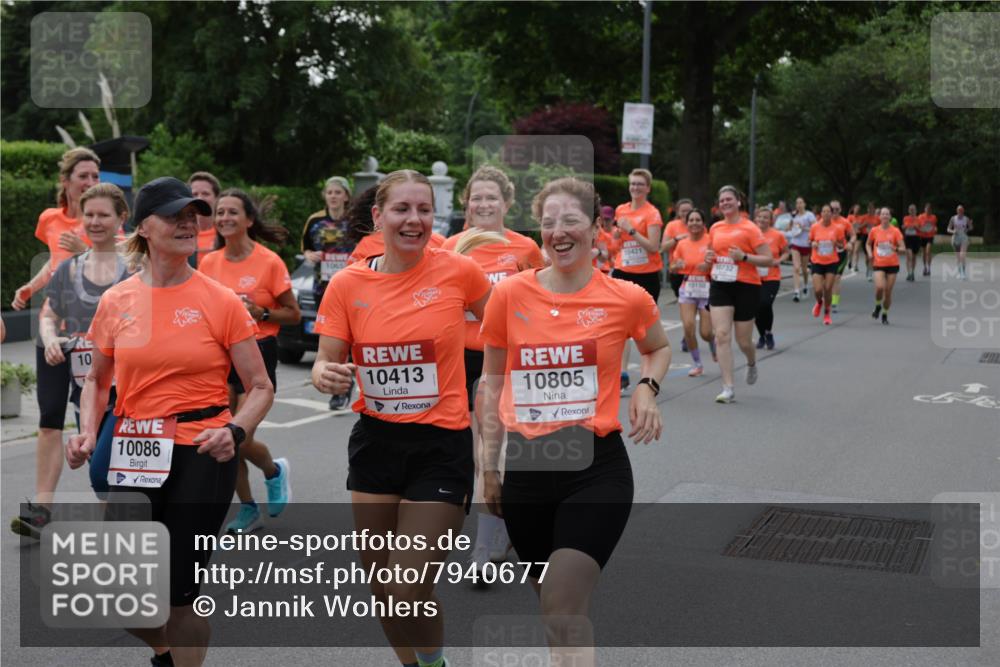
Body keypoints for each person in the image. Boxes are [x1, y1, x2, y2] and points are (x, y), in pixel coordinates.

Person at [66, 176, 274, 667]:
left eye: (192, 215)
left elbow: (261, 386)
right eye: (175, 215)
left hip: (203, 449)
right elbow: (97, 380)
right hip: (135, 447)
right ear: (144, 227)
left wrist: (235, 431)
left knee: (181, 591)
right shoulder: (117, 301)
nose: (188, 223)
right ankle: (165, 653)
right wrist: (88, 433)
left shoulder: (219, 299)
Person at [479, 176, 670, 667]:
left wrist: (648, 389)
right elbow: (493, 384)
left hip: (596, 469)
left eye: (570, 221)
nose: (558, 232)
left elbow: (657, 348)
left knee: (562, 603)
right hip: (528, 469)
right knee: (556, 610)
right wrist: (489, 471)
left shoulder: (627, 298)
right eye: (548, 223)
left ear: (595, 229)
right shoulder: (509, 296)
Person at [312, 170, 491, 667]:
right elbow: (326, 357)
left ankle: (435, 664)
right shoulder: (348, 285)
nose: (414, 220)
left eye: (424, 211)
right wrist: (326, 374)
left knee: (406, 582)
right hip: (376, 443)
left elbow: (508, 324)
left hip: (441, 446)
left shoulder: (458, 271)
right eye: (402, 210)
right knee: (383, 589)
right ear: (378, 217)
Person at [441, 165, 544, 581]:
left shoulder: (525, 249)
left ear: (507, 203)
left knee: (492, 448)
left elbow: (540, 301)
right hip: (453, 359)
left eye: (491, 198)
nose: (483, 205)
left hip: (501, 358)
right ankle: (499, 526)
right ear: (467, 203)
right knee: (468, 451)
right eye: (477, 198)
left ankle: (483, 550)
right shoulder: (450, 246)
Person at [9, 147, 99, 539]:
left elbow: (122, 268)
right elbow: (54, 259)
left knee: (90, 419)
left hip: (92, 335)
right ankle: (42, 509)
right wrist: (31, 286)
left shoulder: (103, 222)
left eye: (96, 176)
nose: (91, 183)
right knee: (49, 419)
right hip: (53, 331)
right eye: (84, 176)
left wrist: (90, 251)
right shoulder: (50, 218)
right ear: (66, 182)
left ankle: (116, 503)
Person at [199, 188, 298, 534]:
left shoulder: (269, 261)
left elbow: (293, 314)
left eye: (232, 212)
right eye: (220, 212)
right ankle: (248, 508)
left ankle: (273, 471)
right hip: (219, 355)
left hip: (257, 352)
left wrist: (263, 311)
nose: (224, 218)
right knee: (224, 437)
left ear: (249, 220)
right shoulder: (208, 263)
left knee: (238, 436)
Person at [705, 186, 772, 403]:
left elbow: (768, 259)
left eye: (729, 199)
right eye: (722, 200)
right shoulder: (715, 228)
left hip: (746, 285)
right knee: (722, 335)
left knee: (743, 341)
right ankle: (728, 387)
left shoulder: (750, 228)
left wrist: (744, 257)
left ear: (738, 202)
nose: (725, 203)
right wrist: (708, 259)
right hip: (720, 284)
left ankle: (751, 362)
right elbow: (710, 254)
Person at [301, 176, 358, 409]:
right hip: (323, 288)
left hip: (354, 288)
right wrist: (309, 255)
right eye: (329, 192)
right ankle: (340, 388)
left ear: (346, 195)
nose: (333, 196)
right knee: (334, 340)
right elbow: (305, 248)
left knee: (355, 337)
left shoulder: (356, 221)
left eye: (337, 192)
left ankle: (356, 377)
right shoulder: (315, 220)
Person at [611, 169, 664, 391]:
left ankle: (647, 376)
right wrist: (616, 236)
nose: (635, 188)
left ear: (648, 188)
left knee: (643, 329)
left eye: (640, 185)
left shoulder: (652, 214)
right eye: (633, 184)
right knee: (621, 325)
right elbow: (617, 242)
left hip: (647, 275)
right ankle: (622, 374)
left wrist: (631, 230)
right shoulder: (621, 210)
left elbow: (653, 247)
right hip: (623, 271)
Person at [669, 208, 715, 376]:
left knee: (706, 332)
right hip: (687, 289)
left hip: (707, 289)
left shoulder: (710, 240)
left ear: (703, 223)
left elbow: (719, 261)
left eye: (698, 220)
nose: (694, 223)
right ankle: (697, 364)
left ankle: (713, 343)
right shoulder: (682, 244)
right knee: (688, 328)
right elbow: (672, 268)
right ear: (686, 224)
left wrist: (709, 266)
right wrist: (677, 266)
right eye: (691, 220)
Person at [755, 206, 790, 350]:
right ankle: (762, 335)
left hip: (772, 276)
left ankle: (768, 332)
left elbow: (786, 252)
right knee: (756, 308)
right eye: (760, 217)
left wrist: (778, 260)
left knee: (765, 304)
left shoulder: (777, 235)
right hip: (754, 276)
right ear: (756, 218)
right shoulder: (751, 234)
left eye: (765, 217)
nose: (762, 219)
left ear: (771, 220)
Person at [808, 205, 848, 326]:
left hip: (831, 262)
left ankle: (826, 313)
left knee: (827, 288)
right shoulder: (815, 227)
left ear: (831, 214)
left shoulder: (837, 228)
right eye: (823, 211)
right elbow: (810, 240)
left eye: (828, 212)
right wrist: (813, 243)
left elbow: (843, 245)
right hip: (817, 261)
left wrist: (837, 244)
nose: (826, 213)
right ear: (821, 213)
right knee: (818, 289)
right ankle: (819, 302)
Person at [867, 207, 906, 324]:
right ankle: (878, 305)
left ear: (890, 217)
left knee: (888, 292)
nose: (884, 216)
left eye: (887, 214)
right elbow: (868, 244)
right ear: (879, 217)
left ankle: (884, 313)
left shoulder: (895, 231)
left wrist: (896, 248)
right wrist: (869, 254)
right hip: (878, 264)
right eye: (882, 214)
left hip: (892, 265)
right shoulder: (874, 230)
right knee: (879, 287)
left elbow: (903, 248)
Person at [660, 197, 693, 299]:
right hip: (677, 270)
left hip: (695, 271)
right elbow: (663, 248)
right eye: (682, 211)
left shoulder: (698, 224)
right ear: (678, 212)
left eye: (688, 210)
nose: (685, 213)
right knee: (683, 301)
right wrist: (676, 239)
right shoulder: (672, 225)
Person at [187, 171, 221, 267]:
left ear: (217, 198)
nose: (200, 198)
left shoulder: (225, 233)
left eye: (205, 194)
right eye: (195, 194)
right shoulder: (180, 233)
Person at [828, 200, 856, 313]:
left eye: (837, 209)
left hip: (841, 253)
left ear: (840, 210)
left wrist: (850, 243)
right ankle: (826, 299)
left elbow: (853, 235)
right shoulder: (824, 221)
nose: (834, 211)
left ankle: (834, 303)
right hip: (826, 255)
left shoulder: (845, 222)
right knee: (827, 279)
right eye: (832, 209)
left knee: (836, 278)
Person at [785, 197, 815, 302]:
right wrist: (792, 228)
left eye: (801, 203)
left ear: (804, 204)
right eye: (797, 203)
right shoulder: (794, 216)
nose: (799, 205)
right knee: (796, 268)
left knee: (804, 269)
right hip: (795, 243)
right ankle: (796, 292)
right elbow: (788, 228)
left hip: (806, 244)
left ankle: (806, 285)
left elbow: (815, 228)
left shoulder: (809, 215)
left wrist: (803, 228)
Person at [947, 205, 973, 279]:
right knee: (958, 257)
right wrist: (953, 231)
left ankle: (963, 273)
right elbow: (948, 229)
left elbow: (970, 227)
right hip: (955, 238)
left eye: (962, 210)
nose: (960, 211)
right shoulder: (953, 218)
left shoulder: (966, 218)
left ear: (963, 211)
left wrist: (968, 228)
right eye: (959, 210)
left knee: (962, 255)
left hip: (964, 238)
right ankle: (959, 273)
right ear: (957, 211)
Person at [594, 205, 619, 273]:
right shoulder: (597, 233)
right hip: (601, 269)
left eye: (608, 219)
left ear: (613, 219)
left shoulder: (618, 233)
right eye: (603, 219)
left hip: (616, 268)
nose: (605, 222)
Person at [902, 203, 922, 281]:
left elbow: (921, 229)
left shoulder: (918, 219)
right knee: (909, 256)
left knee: (913, 257)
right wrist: (905, 226)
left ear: (916, 211)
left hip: (916, 238)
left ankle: (912, 272)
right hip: (908, 238)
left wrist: (916, 227)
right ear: (908, 211)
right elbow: (903, 227)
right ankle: (909, 273)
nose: (912, 211)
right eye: (910, 210)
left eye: (913, 210)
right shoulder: (906, 218)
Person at [917, 202, 938, 276]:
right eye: (927, 209)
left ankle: (929, 268)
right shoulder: (920, 217)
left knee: (928, 251)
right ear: (924, 209)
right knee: (924, 253)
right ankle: (925, 267)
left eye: (929, 209)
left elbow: (934, 226)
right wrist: (921, 230)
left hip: (930, 236)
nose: (928, 211)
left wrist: (935, 229)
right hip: (922, 236)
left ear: (931, 210)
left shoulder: (933, 217)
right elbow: (917, 227)